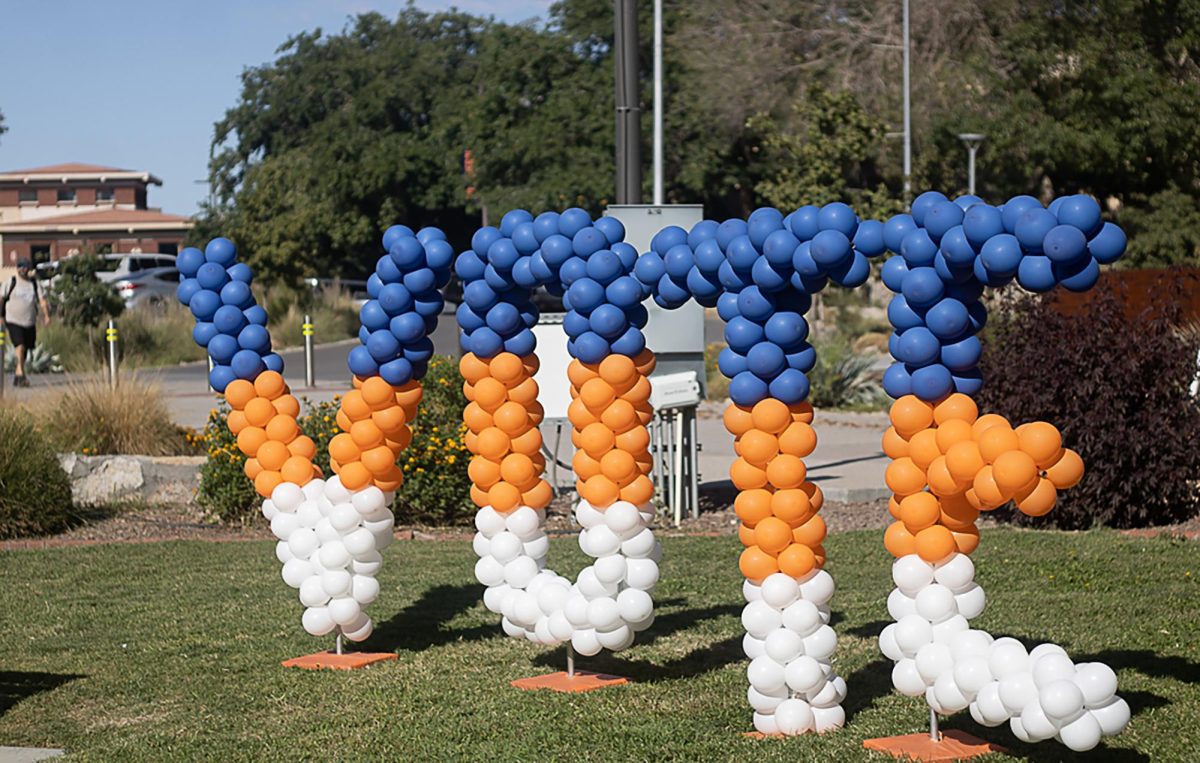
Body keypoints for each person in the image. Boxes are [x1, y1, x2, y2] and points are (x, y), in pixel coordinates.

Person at [1, 256, 52, 387]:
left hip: (29, 321)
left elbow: (42, 300)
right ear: (17, 268)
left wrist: (46, 315)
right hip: (13, 320)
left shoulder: (34, 284)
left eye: (25, 267)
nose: (23, 269)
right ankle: (21, 375)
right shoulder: (11, 282)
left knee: (26, 349)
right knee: (20, 346)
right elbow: (1, 299)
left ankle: (18, 374)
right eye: (20, 266)